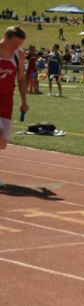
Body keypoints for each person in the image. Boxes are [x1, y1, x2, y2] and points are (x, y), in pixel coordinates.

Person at [1, 27, 29, 187]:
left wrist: (24, 101)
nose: (16, 47)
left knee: (3, 143)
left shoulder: (19, 55)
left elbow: (21, 78)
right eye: (14, 44)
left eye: (19, 44)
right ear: (6, 37)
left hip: (6, 101)